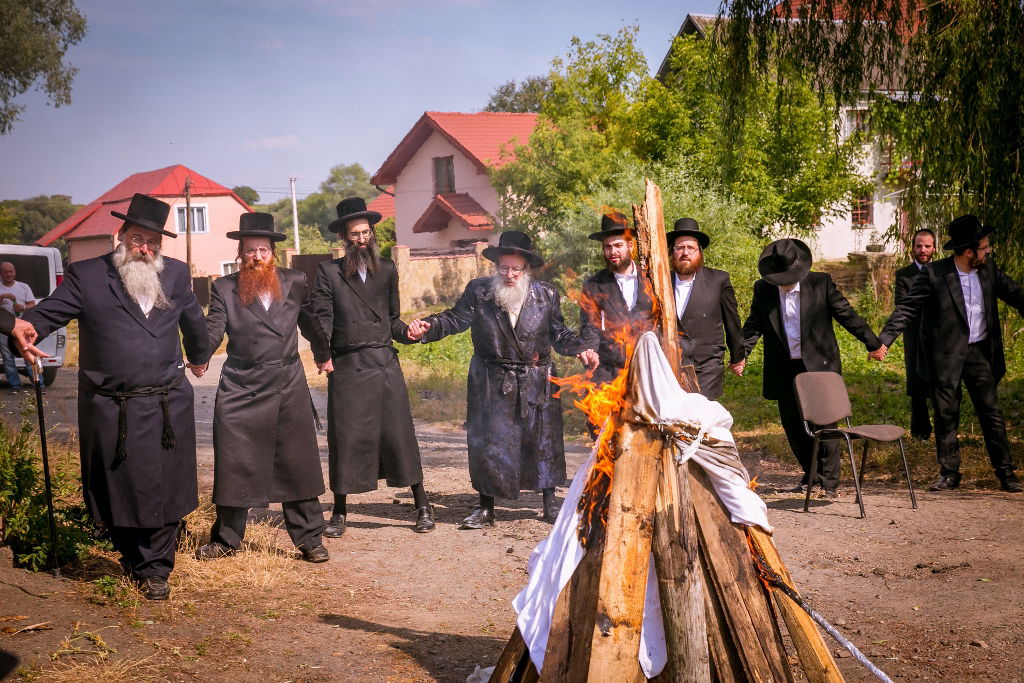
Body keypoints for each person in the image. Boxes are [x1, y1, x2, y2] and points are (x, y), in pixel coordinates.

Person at [20, 193, 210, 600]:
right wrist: (27, 325)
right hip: (113, 406)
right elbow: (50, 311)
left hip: (167, 403)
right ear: (121, 235)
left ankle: (155, 568)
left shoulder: (176, 274)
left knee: (165, 483)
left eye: (153, 241)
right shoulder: (88, 275)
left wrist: (199, 356)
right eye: (138, 238)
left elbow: (193, 321)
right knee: (121, 486)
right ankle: (134, 555)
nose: (145, 248)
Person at [414, 231, 599, 528]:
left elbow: (559, 334)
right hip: (491, 378)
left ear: (527, 269)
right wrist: (430, 325)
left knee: (543, 442)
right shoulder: (480, 292)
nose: (510, 275)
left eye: (516, 269)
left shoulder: (546, 295)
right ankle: (486, 508)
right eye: (504, 268)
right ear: (496, 266)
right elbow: (455, 318)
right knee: (489, 442)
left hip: (537, 378)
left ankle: (550, 504)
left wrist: (581, 349)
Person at [187, 213, 331, 563]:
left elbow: (310, 321)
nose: (256, 257)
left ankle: (310, 540)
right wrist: (200, 354)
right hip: (241, 384)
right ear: (240, 253)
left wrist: (323, 354)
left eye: (263, 250)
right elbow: (214, 325)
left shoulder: (295, 280)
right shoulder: (225, 287)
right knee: (235, 461)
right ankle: (226, 540)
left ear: (273, 253)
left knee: (296, 461)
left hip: (287, 382)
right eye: (250, 250)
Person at [871, 216, 1024, 493]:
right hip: (944, 357)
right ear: (969, 252)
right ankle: (949, 474)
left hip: (980, 354)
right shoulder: (935, 273)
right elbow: (907, 308)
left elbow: (1016, 295)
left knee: (991, 414)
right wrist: (885, 340)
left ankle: (1006, 473)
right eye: (984, 247)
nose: (988, 251)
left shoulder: (988, 269)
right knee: (946, 416)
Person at [311, 197, 434, 537]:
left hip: (384, 364)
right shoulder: (329, 272)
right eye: (355, 234)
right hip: (348, 366)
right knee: (346, 438)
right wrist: (323, 354)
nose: (362, 239)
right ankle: (339, 512)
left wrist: (408, 333)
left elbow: (392, 320)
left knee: (400, 434)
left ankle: (422, 505)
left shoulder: (388, 269)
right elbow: (322, 321)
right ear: (344, 237)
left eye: (366, 232)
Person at [739, 238, 881, 497]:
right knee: (794, 427)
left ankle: (829, 483)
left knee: (824, 425)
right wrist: (741, 354)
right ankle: (811, 475)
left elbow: (846, 314)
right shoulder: (763, 289)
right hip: (784, 367)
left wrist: (873, 343)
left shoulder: (820, 283)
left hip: (818, 365)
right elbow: (754, 324)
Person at [667, 218, 744, 400]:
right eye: (680, 248)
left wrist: (738, 356)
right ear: (672, 252)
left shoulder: (718, 280)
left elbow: (732, 321)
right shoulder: (660, 281)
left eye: (691, 248)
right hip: (669, 364)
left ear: (700, 252)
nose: (685, 253)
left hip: (707, 364)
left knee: (701, 412)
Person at [578, 211, 656, 390]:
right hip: (608, 374)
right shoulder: (593, 285)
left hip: (649, 372)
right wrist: (591, 351)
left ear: (630, 245)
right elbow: (589, 327)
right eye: (608, 247)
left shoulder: (651, 280)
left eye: (618, 245)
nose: (613, 252)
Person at [894, 228, 937, 440]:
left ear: (934, 248)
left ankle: (946, 428)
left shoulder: (942, 272)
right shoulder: (904, 275)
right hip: (914, 336)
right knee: (917, 383)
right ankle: (920, 431)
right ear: (912, 248)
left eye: (927, 246)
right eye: (919, 246)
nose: (923, 250)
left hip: (939, 337)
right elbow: (902, 305)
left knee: (940, 383)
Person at [0, 262, 37, 394]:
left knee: (28, 353)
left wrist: (22, 307)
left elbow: (32, 305)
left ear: (14, 272)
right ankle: (15, 385)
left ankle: (38, 383)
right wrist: (3, 296)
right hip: (3, 329)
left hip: (22, 326)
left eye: (11, 271)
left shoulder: (23, 286)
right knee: (8, 357)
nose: (9, 274)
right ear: (1, 273)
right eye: (5, 272)